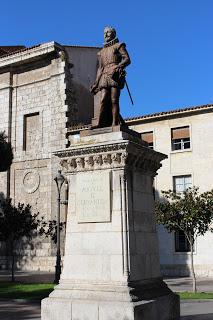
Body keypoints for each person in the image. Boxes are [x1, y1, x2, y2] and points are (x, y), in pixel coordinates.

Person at [90, 27, 131, 127]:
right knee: (103, 100)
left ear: (113, 33)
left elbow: (127, 59)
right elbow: (100, 68)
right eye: (104, 33)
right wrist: (96, 83)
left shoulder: (119, 45)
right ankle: (101, 123)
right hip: (104, 76)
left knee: (114, 100)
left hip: (115, 75)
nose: (106, 35)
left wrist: (118, 66)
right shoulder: (101, 52)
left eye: (108, 32)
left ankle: (115, 123)